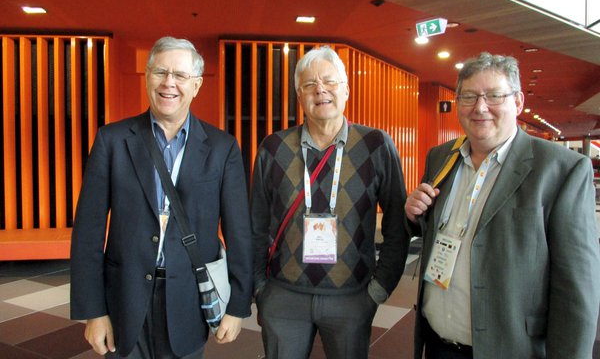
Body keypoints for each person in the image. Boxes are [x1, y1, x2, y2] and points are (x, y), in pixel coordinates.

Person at [405, 52, 600, 358]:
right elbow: (435, 229)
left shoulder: (561, 170)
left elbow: (577, 288)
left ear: (518, 101)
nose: (480, 107)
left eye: (494, 95)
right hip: (438, 343)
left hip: (509, 348)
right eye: (468, 96)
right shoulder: (441, 158)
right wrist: (415, 216)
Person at [70, 36, 253, 358]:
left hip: (188, 298)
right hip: (123, 297)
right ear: (147, 77)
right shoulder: (112, 140)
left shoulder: (223, 148)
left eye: (180, 76)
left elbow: (239, 233)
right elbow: (88, 232)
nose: (169, 83)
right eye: (160, 72)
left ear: (196, 85)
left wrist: (238, 307)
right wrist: (93, 312)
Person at [251, 46, 410, 359]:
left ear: (346, 89)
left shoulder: (375, 145)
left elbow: (397, 225)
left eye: (329, 81)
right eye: (309, 84)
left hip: (352, 297)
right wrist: (259, 288)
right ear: (299, 94)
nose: (320, 90)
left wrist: (377, 291)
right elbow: (255, 225)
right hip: (284, 295)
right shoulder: (274, 147)